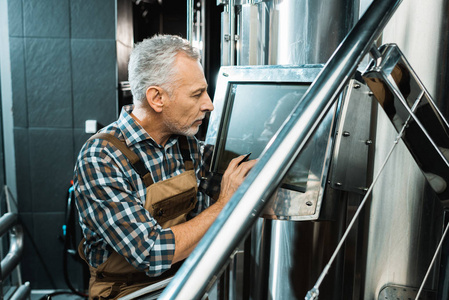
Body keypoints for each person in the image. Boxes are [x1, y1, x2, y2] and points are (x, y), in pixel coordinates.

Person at [73, 34, 256, 299]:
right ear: (157, 98)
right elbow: (150, 253)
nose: (209, 104)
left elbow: (234, 179)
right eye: (197, 94)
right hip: (128, 292)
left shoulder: (187, 144)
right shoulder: (102, 157)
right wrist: (224, 205)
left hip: (184, 281)